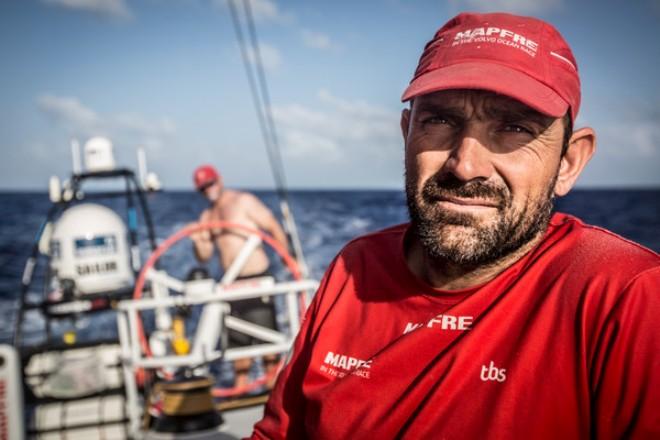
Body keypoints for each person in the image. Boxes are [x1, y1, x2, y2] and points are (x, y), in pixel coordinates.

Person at [251, 12, 660, 439]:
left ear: (569, 162)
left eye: (515, 128)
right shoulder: (355, 267)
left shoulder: (625, 296)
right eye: (440, 121)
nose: (465, 166)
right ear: (407, 133)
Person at [190, 164, 289, 389]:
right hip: (231, 286)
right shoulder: (207, 215)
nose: (208, 189)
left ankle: (273, 395)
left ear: (220, 180)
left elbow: (273, 227)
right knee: (239, 353)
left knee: (269, 350)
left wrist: (286, 257)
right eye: (203, 187)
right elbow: (204, 256)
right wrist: (198, 242)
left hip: (257, 280)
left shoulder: (243, 201)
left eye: (210, 183)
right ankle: (241, 394)